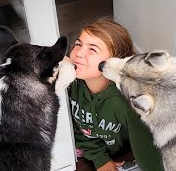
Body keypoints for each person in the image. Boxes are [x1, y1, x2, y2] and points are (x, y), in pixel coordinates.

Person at [65, 19, 163, 171]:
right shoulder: (71, 87)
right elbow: (78, 129)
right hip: (94, 153)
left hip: (126, 156)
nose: (79, 53)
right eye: (78, 44)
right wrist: (100, 159)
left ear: (114, 62)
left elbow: (148, 150)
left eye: (93, 49)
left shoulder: (125, 102)